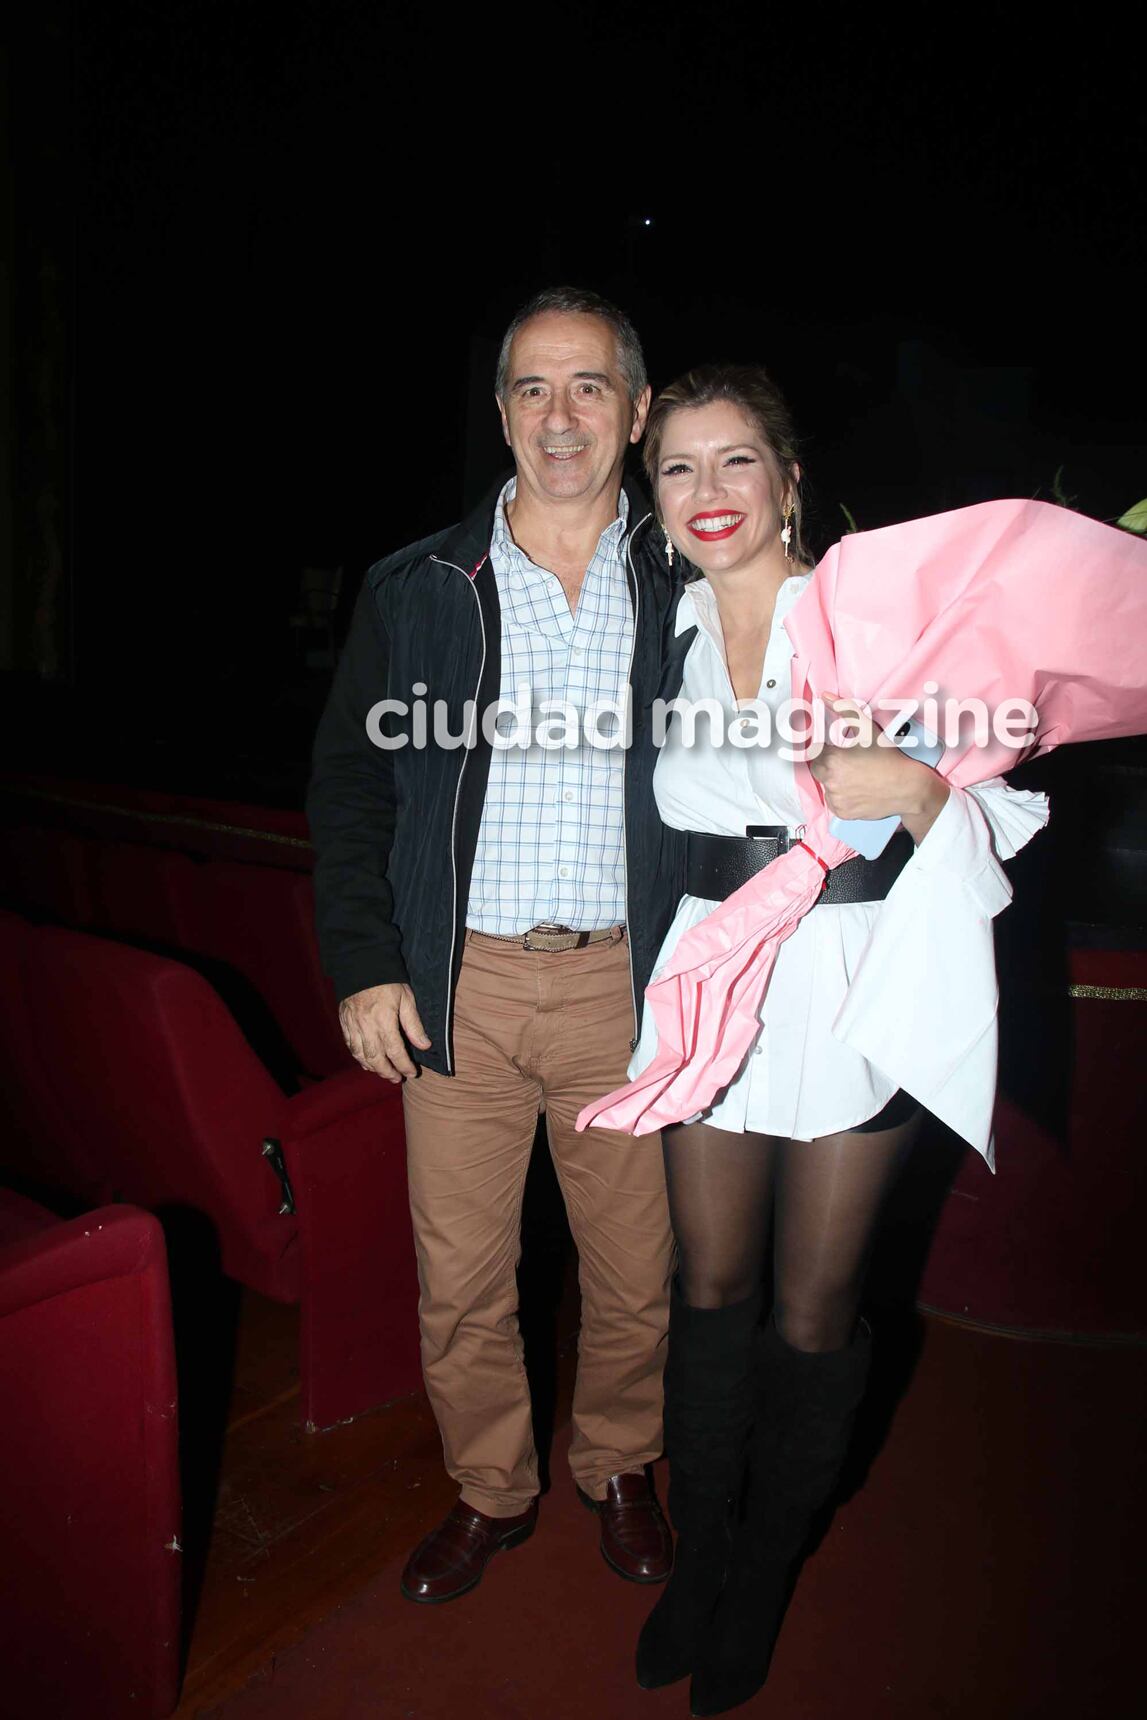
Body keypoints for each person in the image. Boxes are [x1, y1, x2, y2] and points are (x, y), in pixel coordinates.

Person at [623, 365, 1047, 1715]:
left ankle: (760, 1573)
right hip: (713, 982)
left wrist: (921, 789)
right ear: (653, 496)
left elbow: (995, 814)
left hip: (858, 979)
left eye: (734, 461)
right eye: (678, 468)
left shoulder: (876, 620)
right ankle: (699, 1562)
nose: (707, 493)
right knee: (707, 1289)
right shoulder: (661, 630)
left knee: (811, 1308)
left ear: (789, 480)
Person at [306, 287, 687, 1606]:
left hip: (621, 989)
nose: (561, 415)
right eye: (533, 387)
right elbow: (353, 792)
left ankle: (621, 1463)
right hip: (457, 985)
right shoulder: (418, 587)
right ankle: (491, 1490)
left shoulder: (695, 584)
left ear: (638, 413)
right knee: (460, 1275)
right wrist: (365, 962)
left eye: (591, 387)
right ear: (502, 413)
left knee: (636, 1265)